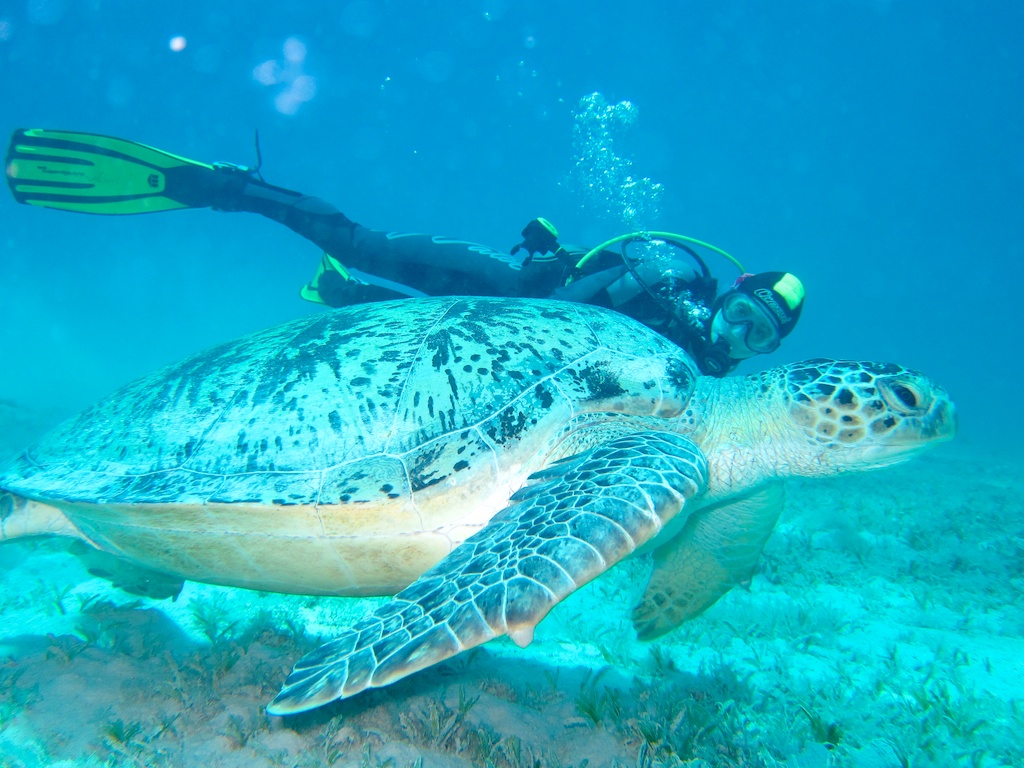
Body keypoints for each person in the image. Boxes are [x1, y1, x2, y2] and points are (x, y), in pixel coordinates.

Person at [5, 128, 805, 376]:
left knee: (433, 324)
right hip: (516, 288)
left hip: (515, 321)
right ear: (729, 289)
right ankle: (231, 188)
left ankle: (346, 298)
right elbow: (551, 323)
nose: (736, 337)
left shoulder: (704, 366)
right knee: (369, 243)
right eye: (742, 316)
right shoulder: (664, 278)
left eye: (758, 337)